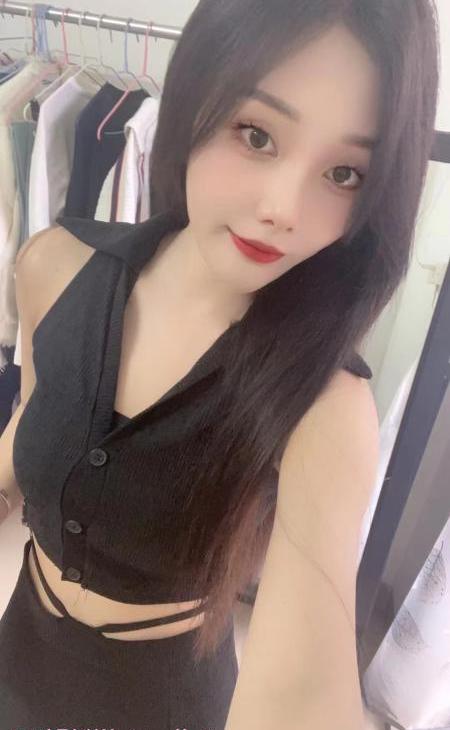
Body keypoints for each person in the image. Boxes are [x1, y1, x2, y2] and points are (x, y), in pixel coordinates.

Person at [0, 1, 440, 728]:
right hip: (18, 655)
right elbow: (32, 422)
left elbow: (302, 693)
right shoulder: (55, 266)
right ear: (195, 96)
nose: (283, 209)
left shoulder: (324, 410)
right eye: (257, 134)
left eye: (344, 173)